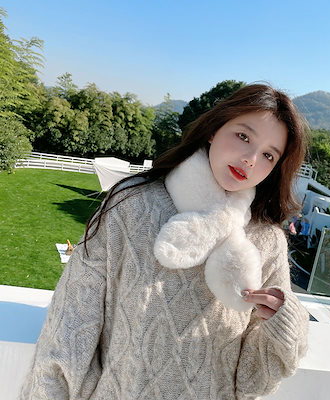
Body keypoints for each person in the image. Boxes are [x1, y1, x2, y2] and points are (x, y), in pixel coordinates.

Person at [20, 84, 310, 400]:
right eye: (243, 136)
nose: (251, 159)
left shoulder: (266, 243)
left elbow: (252, 382)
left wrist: (285, 323)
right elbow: (71, 324)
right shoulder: (132, 205)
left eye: (268, 155)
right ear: (213, 130)